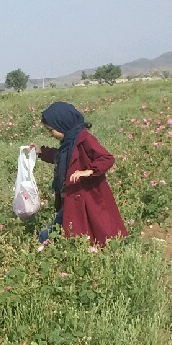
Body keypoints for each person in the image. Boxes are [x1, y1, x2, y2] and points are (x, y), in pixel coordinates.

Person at [33, 101, 126, 249]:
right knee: (75, 224)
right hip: (72, 194)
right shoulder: (68, 142)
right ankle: (76, 248)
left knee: (91, 224)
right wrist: (41, 152)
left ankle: (46, 245)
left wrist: (89, 171)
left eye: (51, 130)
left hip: (86, 194)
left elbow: (107, 158)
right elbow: (60, 157)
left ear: (62, 124)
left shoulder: (85, 139)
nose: (50, 134)